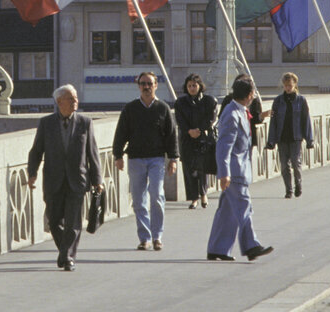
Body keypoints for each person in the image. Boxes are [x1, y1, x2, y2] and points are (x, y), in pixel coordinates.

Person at [27, 85, 103, 272]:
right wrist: (32, 173)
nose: (75, 101)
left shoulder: (85, 122)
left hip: (78, 180)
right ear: (59, 102)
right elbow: (36, 151)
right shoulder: (46, 123)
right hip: (53, 180)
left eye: (75, 98)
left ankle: (68, 257)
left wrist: (97, 180)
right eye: (70, 98)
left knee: (73, 222)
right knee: (53, 221)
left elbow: (93, 153)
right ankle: (64, 250)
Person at [206, 76, 273, 262]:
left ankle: (217, 248)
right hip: (235, 172)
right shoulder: (232, 113)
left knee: (227, 212)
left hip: (239, 169)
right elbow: (224, 146)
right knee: (244, 207)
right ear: (250, 95)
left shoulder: (239, 111)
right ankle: (251, 246)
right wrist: (224, 172)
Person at [112, 71, 179, 251]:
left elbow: (171, 135)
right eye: (143, 84)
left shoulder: (162, 108)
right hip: (135, 159)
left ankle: (157, 236)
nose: (146, 87)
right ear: (138, 86)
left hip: (157, 158)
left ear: (156, 85)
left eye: (150, 83)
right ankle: (145, 238)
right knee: (139, 200)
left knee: (157, 195)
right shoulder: (130, 109)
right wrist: (117, 155)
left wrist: (173, 159)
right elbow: (121, 133)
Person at [265, 72, 314, 198]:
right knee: (284, 165)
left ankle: (298, 185)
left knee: (296, 163)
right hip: (282, 137)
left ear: (295, 85)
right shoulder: (278, 101)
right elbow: (273, 122)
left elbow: (306, 120)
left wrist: (309, 139)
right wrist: (271, 140)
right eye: (286, 85)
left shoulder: (301, 101)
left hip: (295, 137)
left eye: (290, 85)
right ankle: (289, 190)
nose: (288, 88)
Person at [174, 73, 218, 210]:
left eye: (194, 85)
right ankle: (193, 198)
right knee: (189, 169)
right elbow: (179, 120)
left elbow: (212, 118)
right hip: (187, 139)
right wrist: (189, 131)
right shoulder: (180, 103)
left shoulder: (209, 101)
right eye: (189, 86)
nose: (192, 88)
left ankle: (203, 194)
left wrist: (199, 130)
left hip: (203, 138)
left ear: (200, 86)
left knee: (202, 168)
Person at [221, 74, 271, 149]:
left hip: (248, 138)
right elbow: (222, 118)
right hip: (233, 139)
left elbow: (255, 119)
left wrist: (262, 116)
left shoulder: (254, 101)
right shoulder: (229, 102)